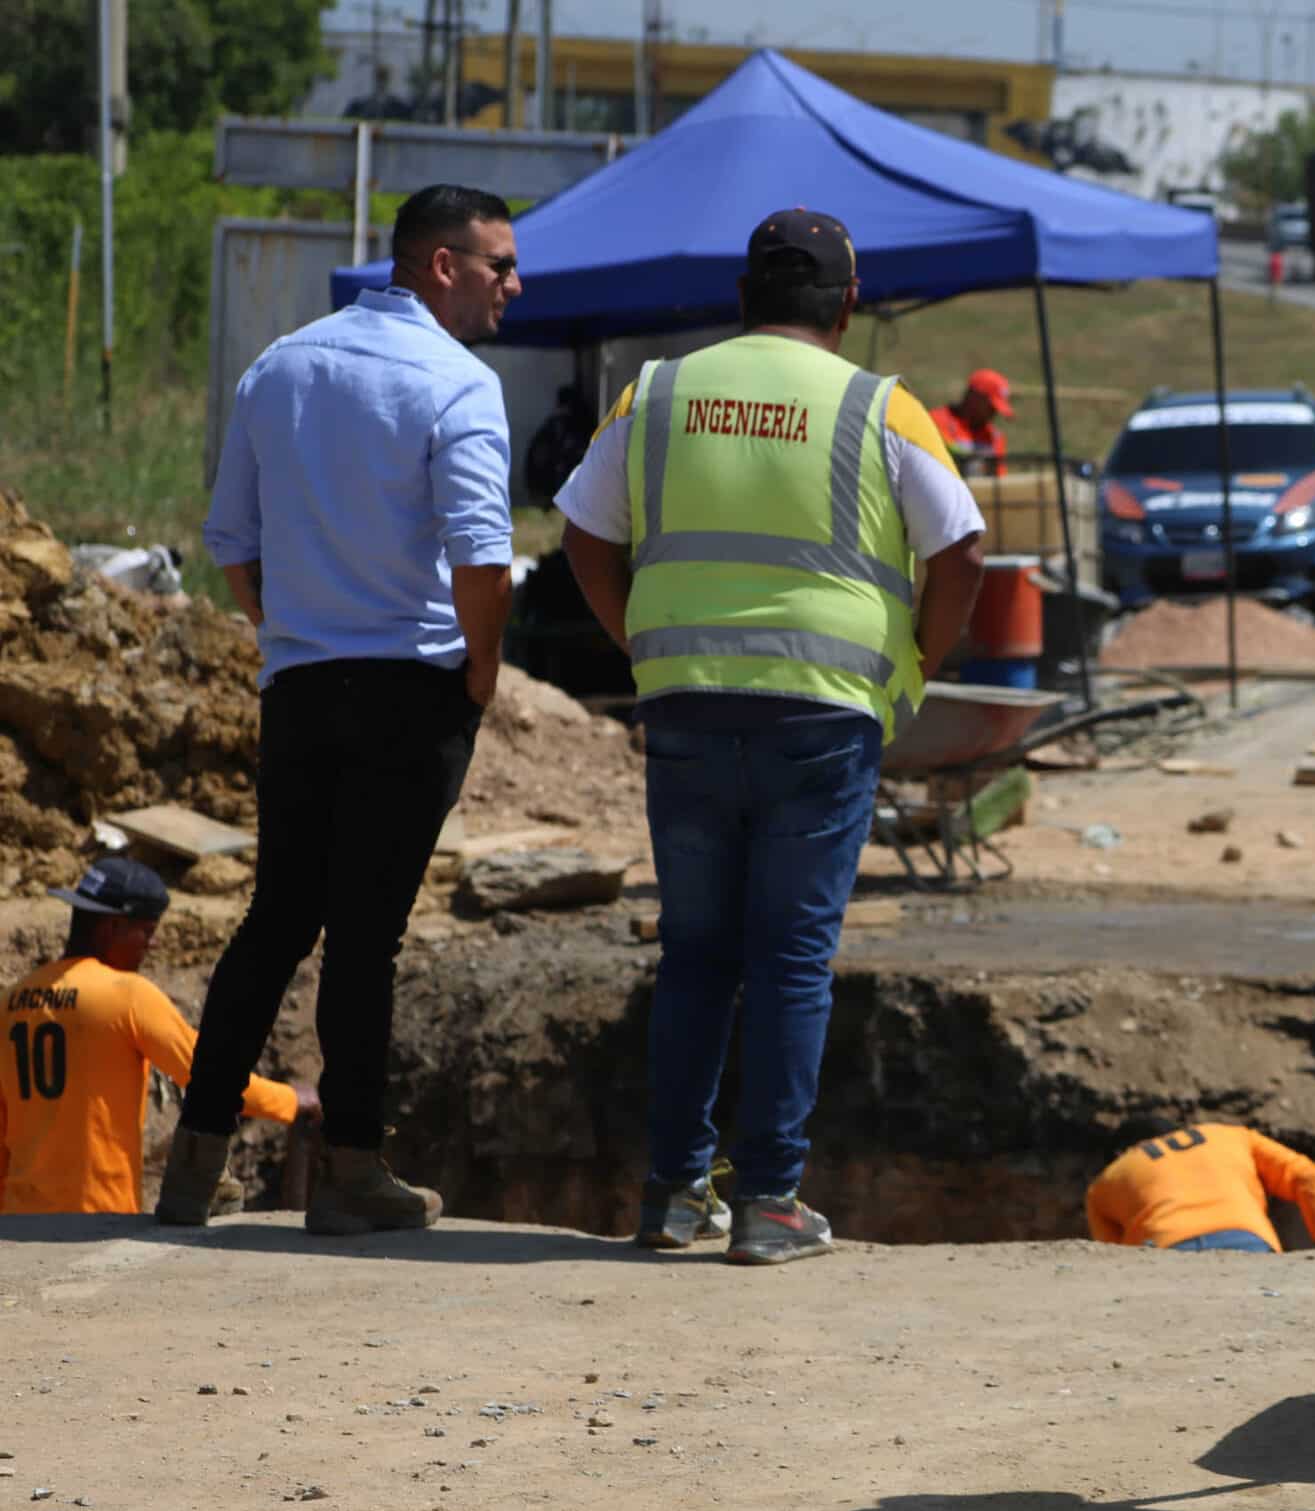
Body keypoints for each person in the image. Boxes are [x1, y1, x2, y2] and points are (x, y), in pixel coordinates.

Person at [556, 207, 987, 1267]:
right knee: (792, 955)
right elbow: (963, 546)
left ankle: (670, 1195)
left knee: (697, 955)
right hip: (825, 710)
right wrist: (919, 666)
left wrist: (641, 643)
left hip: (687, 702)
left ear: (742, 296)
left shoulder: (653, 393)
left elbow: (582, 532)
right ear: (845, 305)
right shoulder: (879, 406)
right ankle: (769, 1202)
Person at [177, 183, 522, 1236]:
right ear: (441, 265)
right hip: (411, 692)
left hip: (302, 686)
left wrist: (288, 632)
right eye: (499, 264)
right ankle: (355, 1172)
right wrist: (481, 673)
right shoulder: (457, 383)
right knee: (365, 936)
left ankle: (190, 1171)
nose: (515, 284)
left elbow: (232, 544)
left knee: (276, 918)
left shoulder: (279, 366)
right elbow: (482, 558)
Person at [1, 859, 310, 1218]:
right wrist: (292, 1102)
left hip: (18, 1222)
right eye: (146, 931)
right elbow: (213, 1078)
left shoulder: (10, 1002)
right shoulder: (126, 995)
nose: (152, 944)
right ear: (112, 926)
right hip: (95, 1214)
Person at [1085, 1123, 1315, 1253]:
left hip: (1166, 1254)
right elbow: (1309, 1176)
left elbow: (1117, 1258)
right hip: (1246, 1241)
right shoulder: (1229, 1134)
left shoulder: (1105, 1181)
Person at [929, 369, 1013, 477]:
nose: (994, 412)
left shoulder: (995, 438)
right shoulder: (934, 422)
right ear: (975, 397)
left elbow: (999, 483)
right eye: (991, 406)